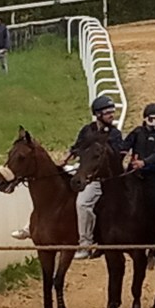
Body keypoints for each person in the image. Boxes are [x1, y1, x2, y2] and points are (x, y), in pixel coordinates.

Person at [65, 95, 125, 259]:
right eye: (108, 113)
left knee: (83, 204)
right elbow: (76, 147)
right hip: (87, 173)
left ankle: (87, 243)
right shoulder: (86, 130)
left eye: (112, 112)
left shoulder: (115, 134)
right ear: (98, 115)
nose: (112, 116)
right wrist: (66, 158)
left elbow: (118, 156)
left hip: (107, 180)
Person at [122, 103, 155, 174]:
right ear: (151, 120)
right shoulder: (137, 132)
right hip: (135, 172)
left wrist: (143, 163)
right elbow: (124, 147)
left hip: (154, 175)